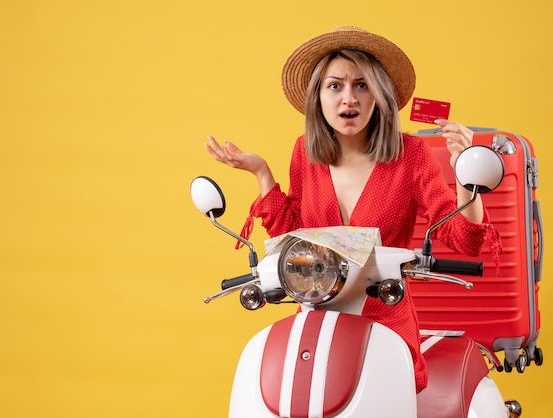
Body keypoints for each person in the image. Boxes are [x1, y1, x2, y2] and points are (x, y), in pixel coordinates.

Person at [204, 26, 499, 393]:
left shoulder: (411, 156)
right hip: (317, 317)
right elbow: (293, 236)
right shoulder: (305, 153)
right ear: (318, 97)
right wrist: (262, 173)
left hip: (385, 320)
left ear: (379, 95)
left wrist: (465, 174)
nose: (350, 98)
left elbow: (465, 242)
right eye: (335, 86)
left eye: (362, 85)